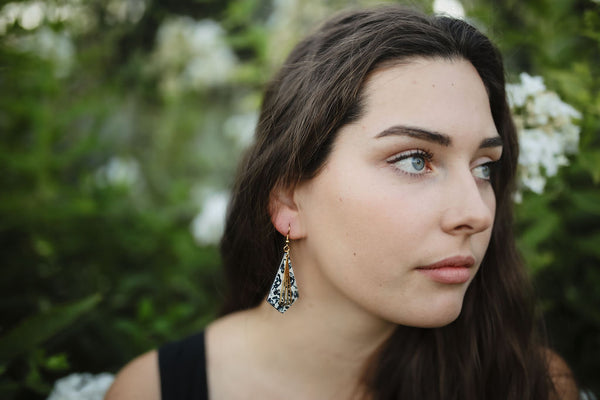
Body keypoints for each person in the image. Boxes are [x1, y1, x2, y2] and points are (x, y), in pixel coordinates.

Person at [106, 6, 580, 400]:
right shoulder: (156, 390)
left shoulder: (526, 383)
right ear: (287, 199)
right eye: (415, 160)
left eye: (484, 167)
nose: (476, 213)